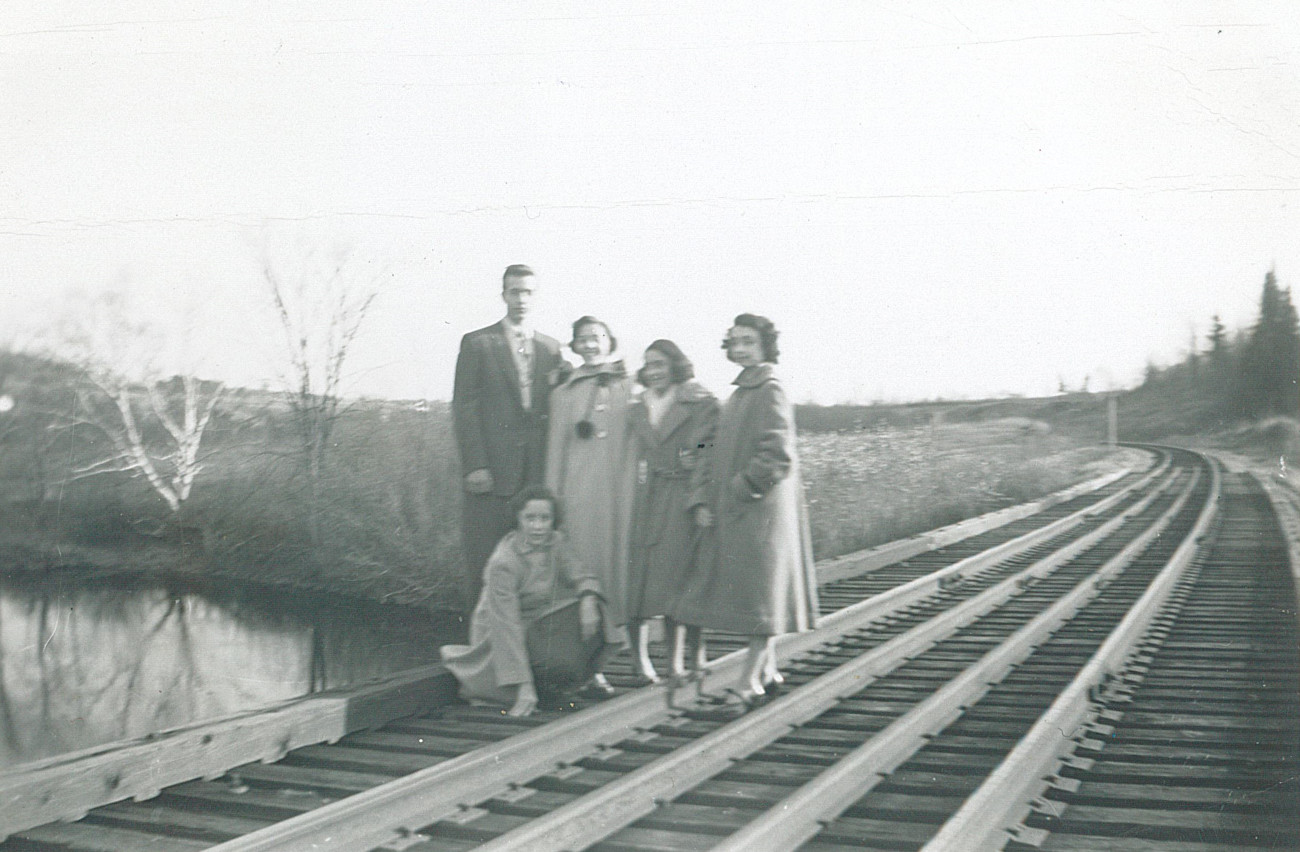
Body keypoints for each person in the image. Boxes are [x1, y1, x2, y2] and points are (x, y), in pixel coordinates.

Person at [674, 313, 819, 707]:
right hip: (743, 512)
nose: (739, 349)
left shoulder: (769, 389)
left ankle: (748, 682)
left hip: (760, 513)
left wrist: (739, 490)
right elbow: (719, 444)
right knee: (757, 594)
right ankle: (768, 672)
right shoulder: (741, 392)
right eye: (734, 341)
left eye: (748, 342)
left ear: (765, 346)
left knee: (760, 598)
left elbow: (777, 455)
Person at [439, 486, 618, 715]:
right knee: (555, 656)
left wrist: (587, 599)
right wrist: (523, 688)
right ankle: (537, 685)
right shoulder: (503, 563)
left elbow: (581, 575)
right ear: (518, 519)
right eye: (530, 518)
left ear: (553, 520)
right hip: (500, 636)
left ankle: (570, 679)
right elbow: (506, 627)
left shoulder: (555, 542)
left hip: (538, 624)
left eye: (545, 518)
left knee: (600, 611)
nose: (538, 526)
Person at [452, 265, 566, 612]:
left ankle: (524, 647)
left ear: (536, 296)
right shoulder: (478, 343)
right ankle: (482, 648)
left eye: (528, 292)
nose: (521, 299)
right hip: (491, 474)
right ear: (504, 295)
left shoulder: (551, 348)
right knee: (485, 562)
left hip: (535, 476)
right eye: (514, 292)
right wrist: (476, 465)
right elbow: (464, 406)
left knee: (532, 564)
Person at [545, 316, 637, 694]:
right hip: (579, 498)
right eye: (583, 338)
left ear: (609, 341)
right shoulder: (563, 392)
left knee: (620, 576)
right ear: (574, 344)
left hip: (621, 497)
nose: (590, 344)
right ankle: (587, 666)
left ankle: (621, 656)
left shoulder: (630, 387)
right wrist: (554, 500)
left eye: (597, 337)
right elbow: (555, 450)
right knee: (582, 574)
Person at [625, 340, 719, 683]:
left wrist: (699, 497)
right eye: (648, 365)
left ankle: (687, 661)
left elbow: (709, 448)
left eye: (661, 364)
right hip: (643, 498)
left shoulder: (698, 402)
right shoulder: (637, 406)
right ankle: (641, 661)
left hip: (681, 498)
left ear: (676, 366)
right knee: (638, 582)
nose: (654, 372)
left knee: (683, 580)